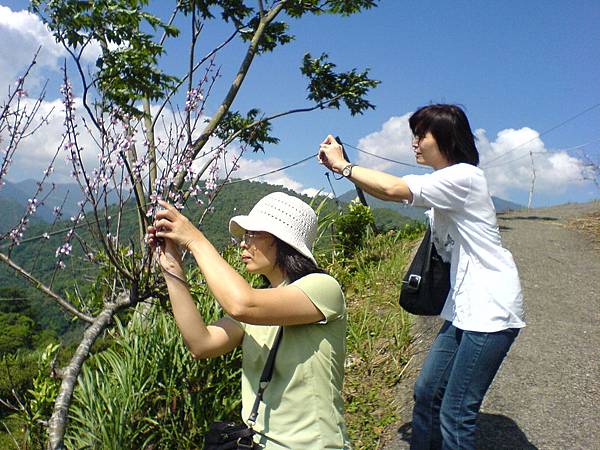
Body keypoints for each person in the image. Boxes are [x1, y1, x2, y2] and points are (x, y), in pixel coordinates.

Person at [318, 104, 525, 449]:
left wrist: (344, 166)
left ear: (446, 138)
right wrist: (345, 170)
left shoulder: (465, 178)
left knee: (456, 414)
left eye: (421, 135)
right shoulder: (444, 183)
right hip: (463, 308)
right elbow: (391, 190)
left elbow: (395, 190)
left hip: (491, 311)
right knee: (426, 393)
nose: (414, 143)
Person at [146, 192, 351, 450]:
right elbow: (201, 343)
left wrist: (195, 241)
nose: (243, 244)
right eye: (243, 236)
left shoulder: (322, 288)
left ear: (282, 241)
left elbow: (242, 304)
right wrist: (171, 266)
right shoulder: (261, 303)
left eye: (252, 235)